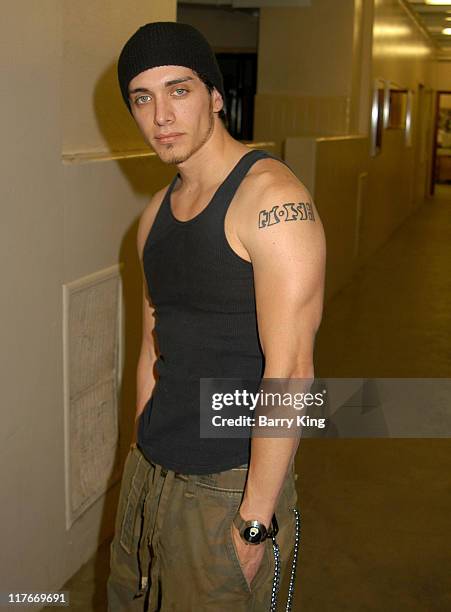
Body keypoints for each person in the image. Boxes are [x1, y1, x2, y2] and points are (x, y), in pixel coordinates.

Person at [107, 22, 326, 612]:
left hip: (227, 486)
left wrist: (255, 520)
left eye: (178, 90)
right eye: (142, 98)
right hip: (150, 476)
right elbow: (153, 349)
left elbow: (293, 371)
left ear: (214, 96)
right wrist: (139, 452)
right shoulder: (153, 216)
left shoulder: (272, 201)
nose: (161, 116)